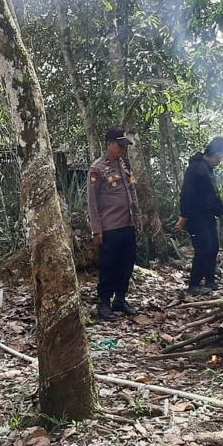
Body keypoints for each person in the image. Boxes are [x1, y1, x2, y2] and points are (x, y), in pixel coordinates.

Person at [88, 126, 142, 322]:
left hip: (128, 224)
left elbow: (132, 191)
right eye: (119, 145)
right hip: (110, 227)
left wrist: (138, 216)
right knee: (109, 266)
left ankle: (120, 299)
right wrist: (96, 230)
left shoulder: (125, 165)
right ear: (110, 144)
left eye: (124, 146)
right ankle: (103, 302)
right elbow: (92, 203)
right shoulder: (98, 168)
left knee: (126, 265)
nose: (122, 149)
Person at [177, 137, 223, 295]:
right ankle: (194, 283)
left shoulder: (208, 168)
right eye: (219, 157)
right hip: (196, 217)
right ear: (214, 153)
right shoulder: (196, 168)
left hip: (208, 216)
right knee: (203, 249)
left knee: (213, 247)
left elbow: (212, 194)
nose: (219, 161)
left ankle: (210, 279)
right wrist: (184, 216)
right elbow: (186, 194)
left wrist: (219, 210)